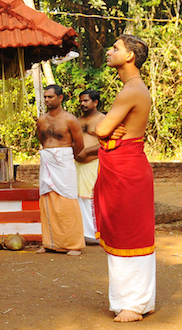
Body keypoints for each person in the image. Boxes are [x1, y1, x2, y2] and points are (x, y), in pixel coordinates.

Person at [94, 34, 154, 322]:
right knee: (121, 231)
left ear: (130, 56)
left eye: (115, 48)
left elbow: (102, 129)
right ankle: (132, 300)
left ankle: (135, 304)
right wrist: (106, 128)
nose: (109, 51)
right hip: (122, 167)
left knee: (131, 234)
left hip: (127, 169)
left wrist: (103, 128)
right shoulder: (131, 88)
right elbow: (106, 129)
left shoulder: (131, 90)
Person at [35, 84, 85, 255]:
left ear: (60, 97)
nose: (47, 100)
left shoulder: (70, 119)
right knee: (47, 199)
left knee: (67, 201)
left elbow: (79, 144)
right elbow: (42, 141)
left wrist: (66, 157)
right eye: (46, 97)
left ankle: (73, 244)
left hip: (64, 161)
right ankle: (49, 243)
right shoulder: (41, 120)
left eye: (51, 97)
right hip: (47, 159)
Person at [75, 89, 105, 244]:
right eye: (81, 101)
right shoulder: (77, 120)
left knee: (92, 197)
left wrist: (87, 151)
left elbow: (106, 143)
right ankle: (83, 232)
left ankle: (95, 233)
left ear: (95, 102)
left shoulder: (103, 119)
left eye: (86, 101)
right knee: (79, 197)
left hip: (94, 163)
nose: (82, 104)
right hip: (77, 164)